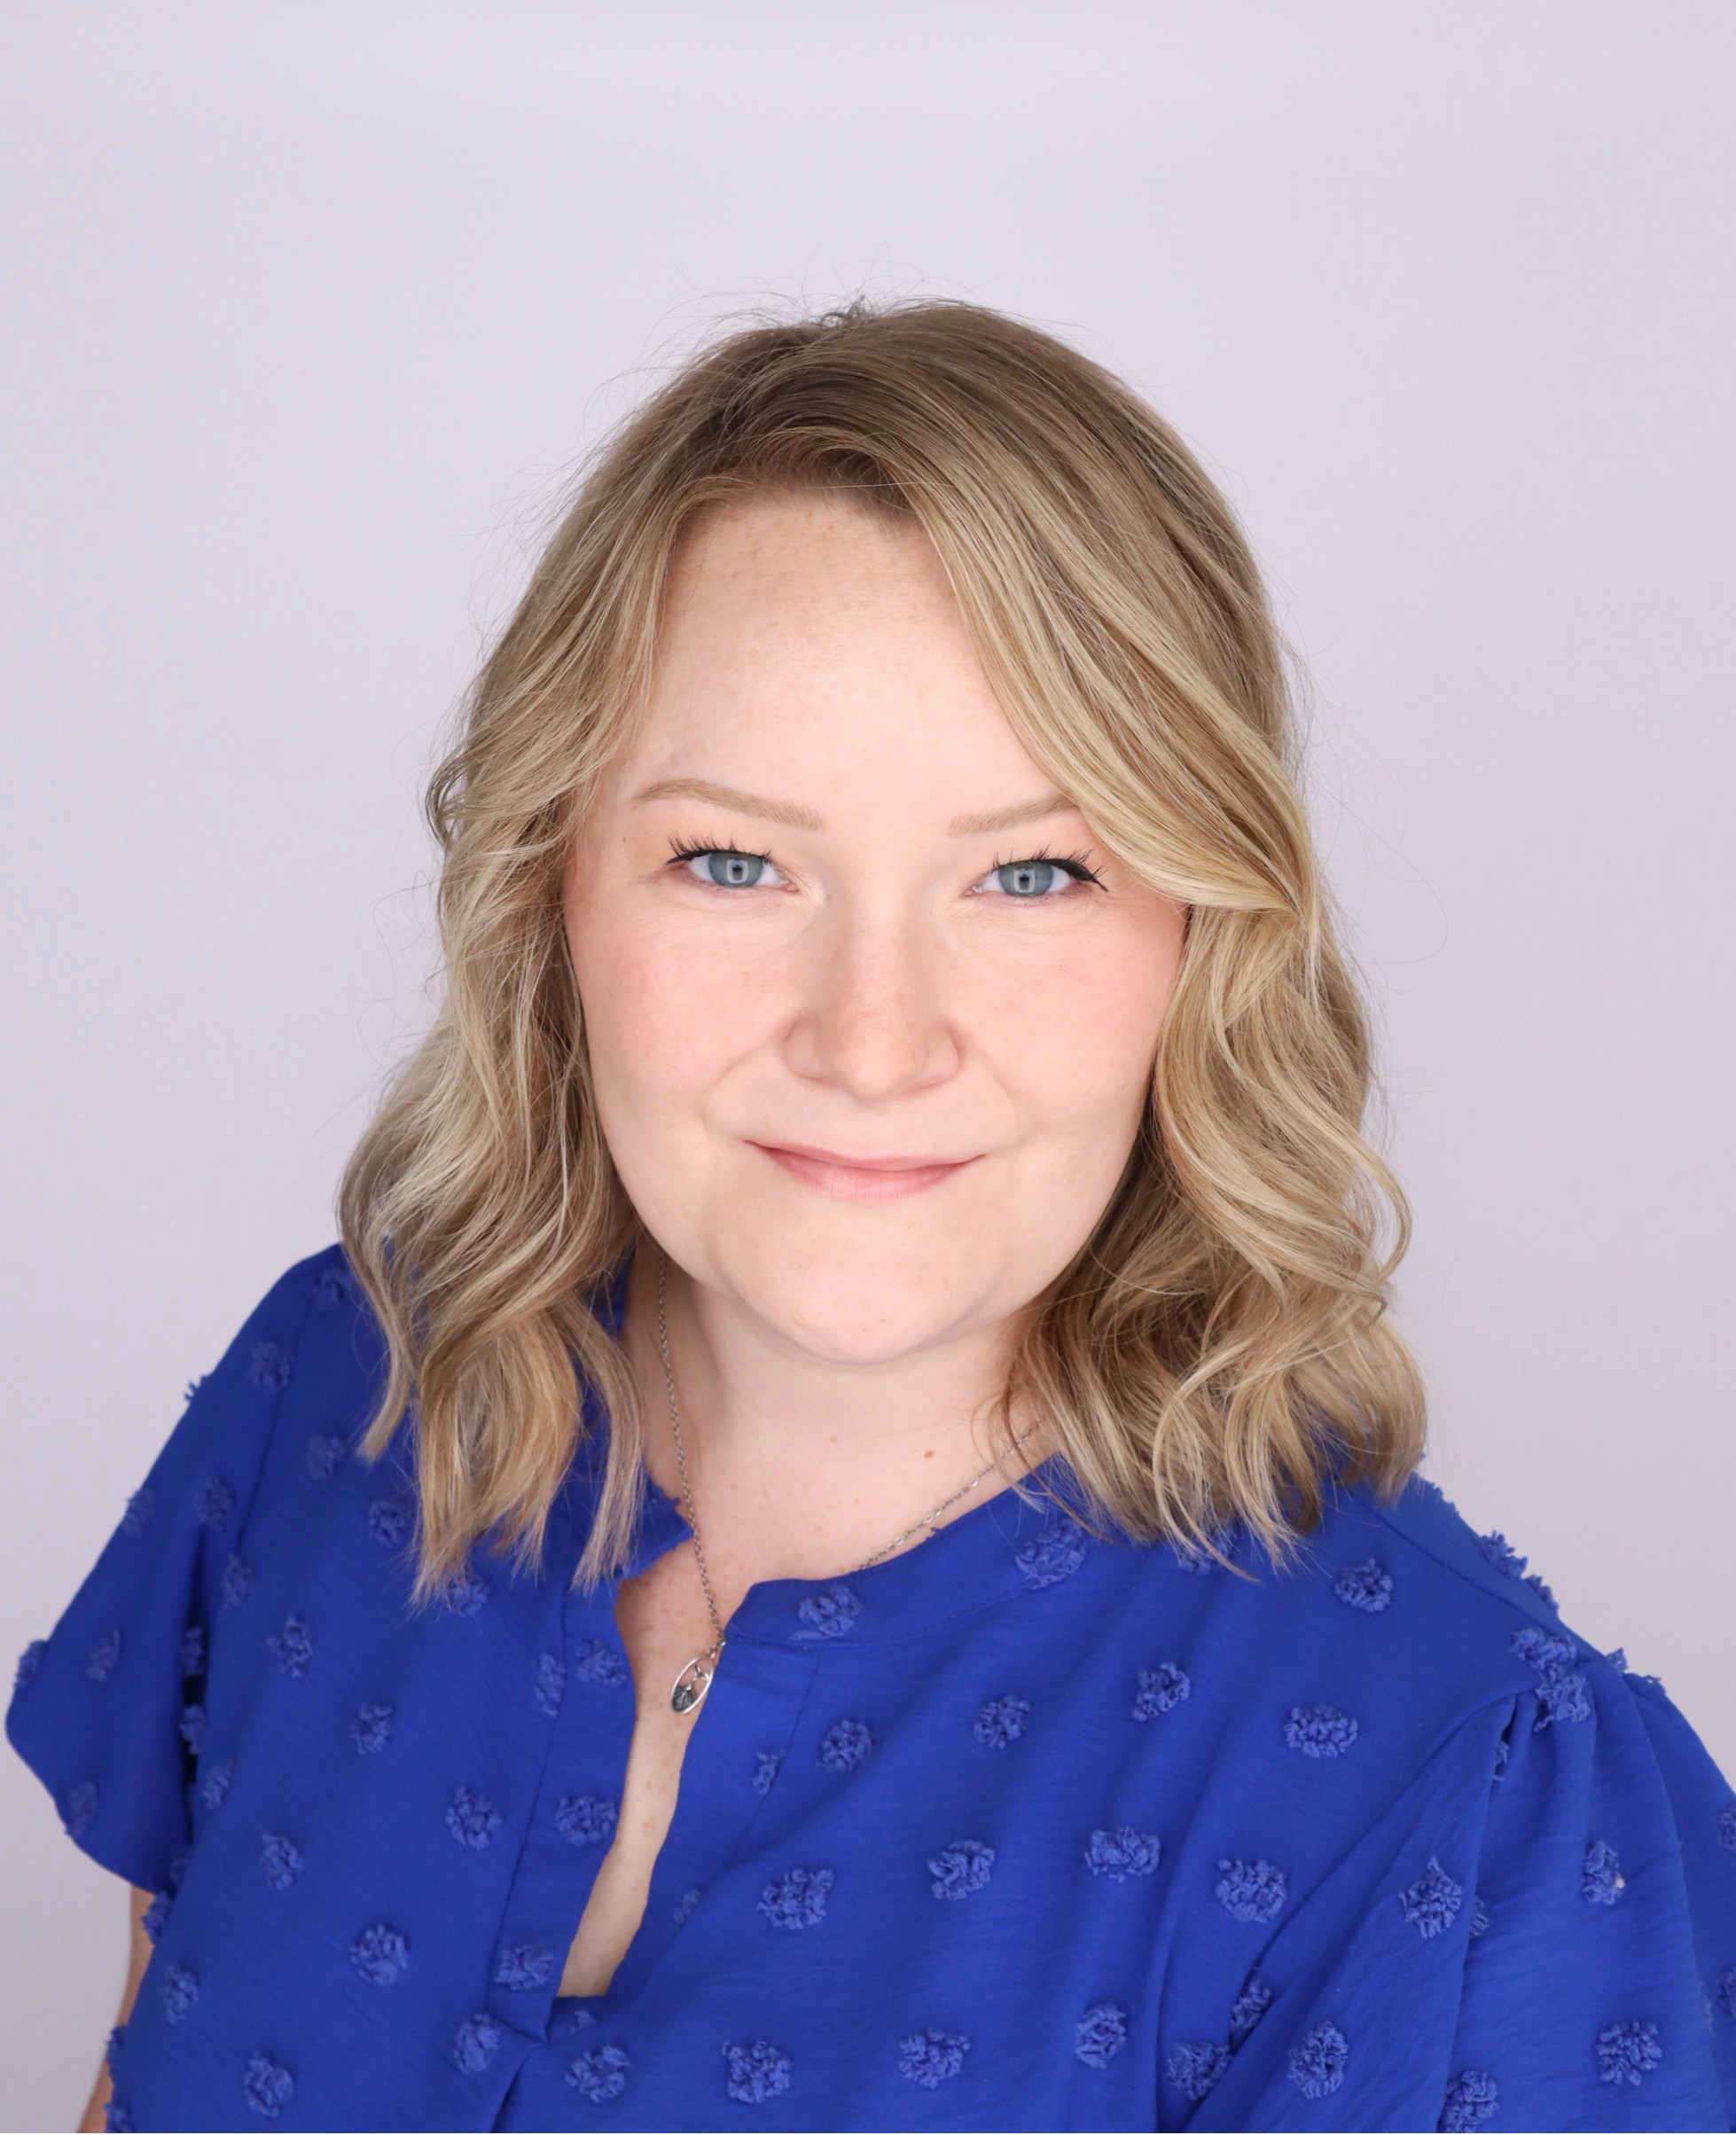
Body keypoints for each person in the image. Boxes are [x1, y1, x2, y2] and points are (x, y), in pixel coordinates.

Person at [10, 300, 1734, 2135]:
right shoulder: (331, 1402)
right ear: (552, 892)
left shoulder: (1468, 1803)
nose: (871, 1036)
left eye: (1033, 870)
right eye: (734, 861)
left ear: (1196, 938)